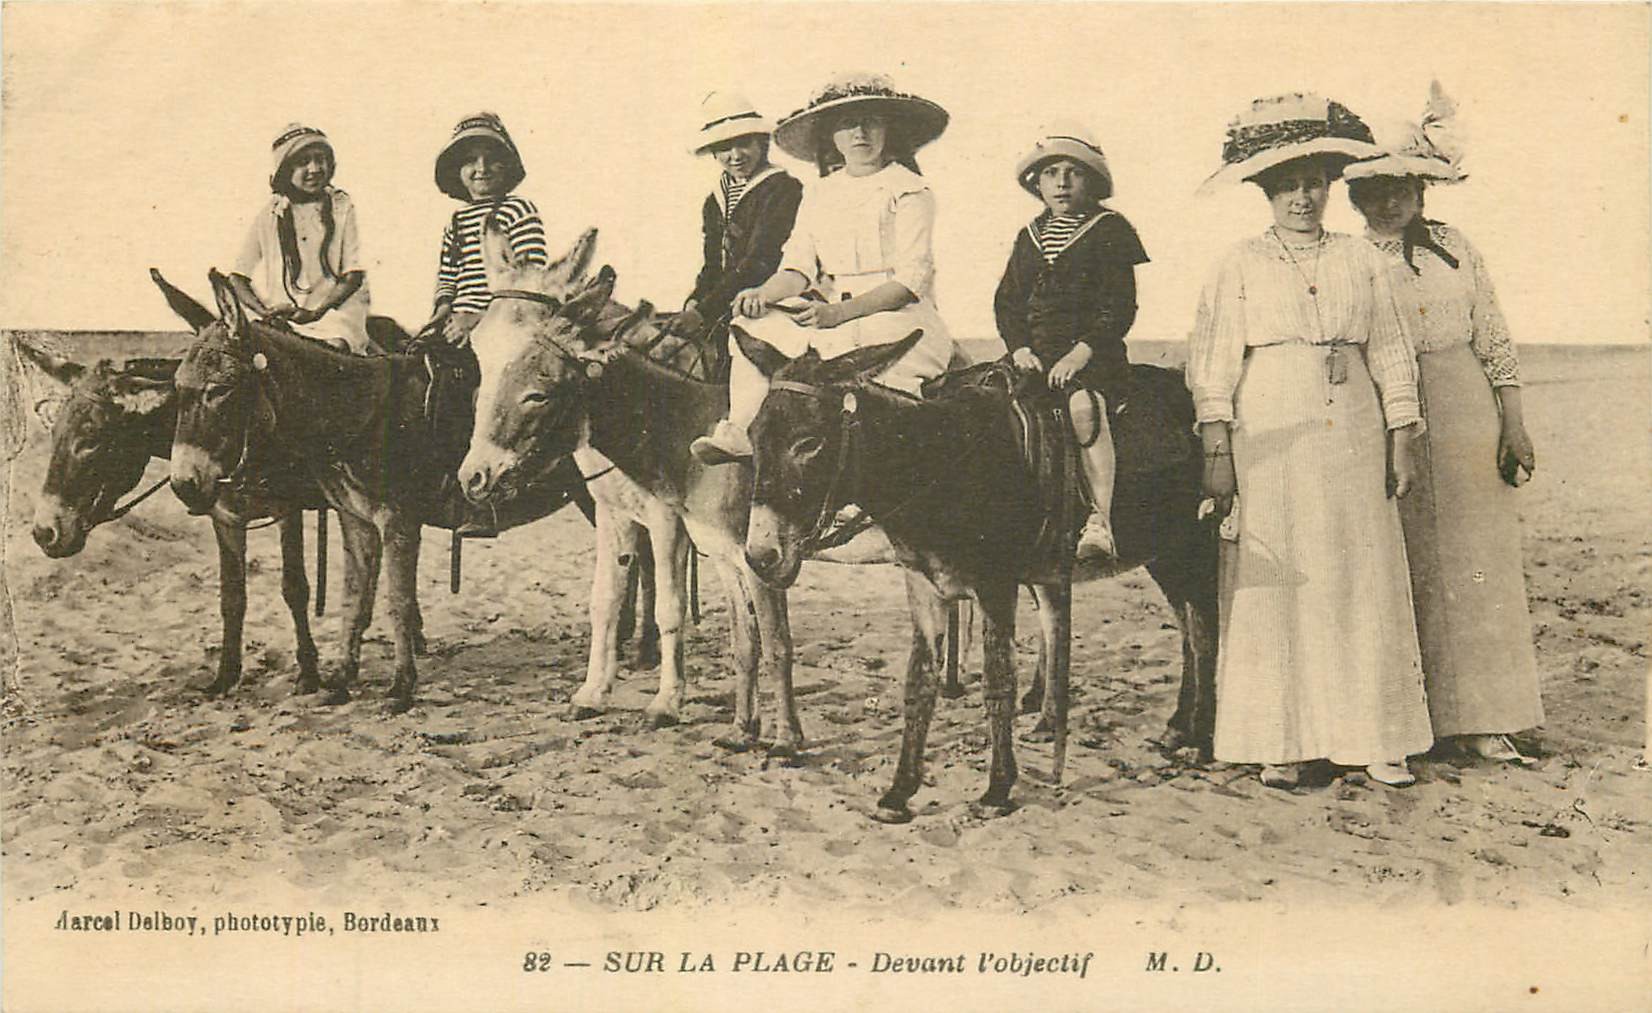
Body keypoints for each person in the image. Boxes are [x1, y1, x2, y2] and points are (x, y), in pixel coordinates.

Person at [1187, 93, 1432, 789]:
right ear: (1266, 191)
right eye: (1289, 184)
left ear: (1331, 186)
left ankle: (1377, 737)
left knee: (1361, 573)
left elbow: (1389, 350)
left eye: (1315, 182)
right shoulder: (1237, 263)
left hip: (1351, 423)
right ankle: (1283, 739)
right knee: (1282, 578)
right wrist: (1218, 450)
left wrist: (1402, 436)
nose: (1304, 196)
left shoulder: (1362, 260)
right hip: (1272, 425)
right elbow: (1214, 364)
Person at [1344, 83, 1542, 764]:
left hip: (1464, 405)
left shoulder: (1457, 247)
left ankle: (1485, 717)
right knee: (1404, 562)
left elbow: (1494, 336)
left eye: (1400, 185)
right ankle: (1416, 719)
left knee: (1476, 561)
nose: (1387, 200)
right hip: (1386, 412)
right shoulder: (1348, 260)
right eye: (1372, 189)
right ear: (1354, 197)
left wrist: (1512, 423)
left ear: (1423, 188)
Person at [691, 72, 958, 464]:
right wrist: (762, 295)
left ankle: (878, 483)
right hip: (831, 316)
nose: (859, 133)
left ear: (889, 129)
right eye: (846, 124)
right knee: (752, 326)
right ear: (831, 136)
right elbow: (798, 268)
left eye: (871, 121)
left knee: (877, 389)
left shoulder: (909, 190)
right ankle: (742, 429)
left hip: (896, 316)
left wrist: (838, 313)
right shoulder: (820, 193)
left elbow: (910, 280)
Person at [994, 123, 1149, 562]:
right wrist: (1019, 347)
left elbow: (1119, 306)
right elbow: (1007, 302)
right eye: (1050, 173)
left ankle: (1100, 518)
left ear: (1092, 180)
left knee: (1084, 408)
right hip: (1033, 358)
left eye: (1073, 172)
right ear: (1037, 183)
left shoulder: (1109, 229)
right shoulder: (1029, 236)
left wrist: (1082, 352)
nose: (1061, 182)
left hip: (1091, 357)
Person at [672, 91, 803, 362]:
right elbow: (712, 264)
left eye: (744, 143)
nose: (735, 155)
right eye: (724, 147)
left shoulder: (781, 188)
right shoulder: (715, 200)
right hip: (723, 306)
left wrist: (703, 311)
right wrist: (696, 299)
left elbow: (760, 260)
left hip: (768, 300)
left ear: (761, 142)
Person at [230, 124, 372, 353]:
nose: (315, 169)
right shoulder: (271, 214)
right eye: (303, 162)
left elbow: (352, 275)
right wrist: (264, 311)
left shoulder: (341, 206)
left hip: (334, 313)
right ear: (286, 170)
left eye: (320, 159)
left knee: (334, 348)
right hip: (285, 315)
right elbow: (238, 277)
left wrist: (316, 313)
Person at [421, 112, 548, 347]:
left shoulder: (518, 209)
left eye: (491, 159)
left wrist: (479, 319)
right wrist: (441, 313)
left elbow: (530, 280)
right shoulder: (457, 220)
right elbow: (448, 276)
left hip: (505, 318)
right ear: (457, 170)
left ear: (506, 166)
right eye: (470, 160)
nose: (482, 168)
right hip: (457, 322)